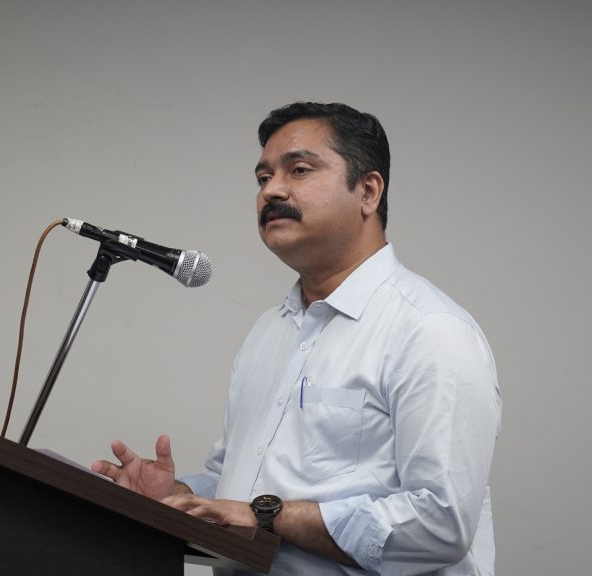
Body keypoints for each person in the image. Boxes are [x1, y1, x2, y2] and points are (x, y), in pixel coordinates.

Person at [92, 102, 501, 575]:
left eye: (300, 170)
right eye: (263, 177)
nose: (271, 190)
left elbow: (440, 523)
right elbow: (237, 491)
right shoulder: (269, 332)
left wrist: (270, 516)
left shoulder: (430, 330)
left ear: (368, 191)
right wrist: (178, 497)